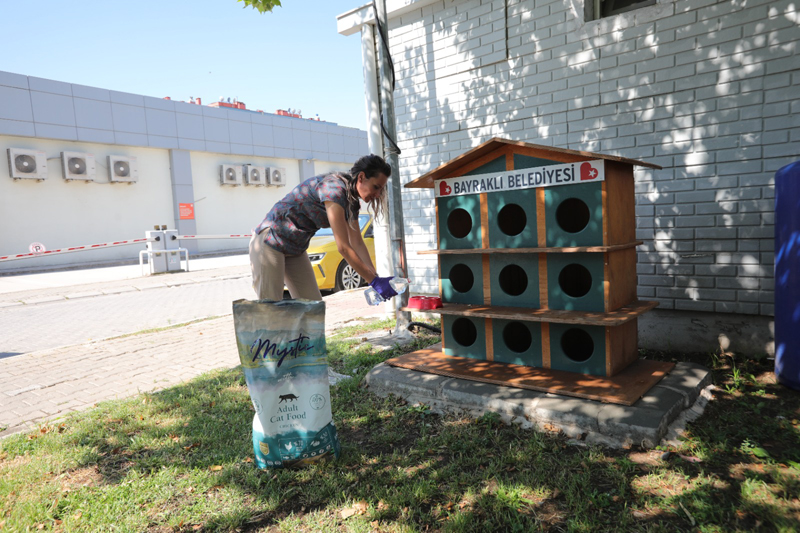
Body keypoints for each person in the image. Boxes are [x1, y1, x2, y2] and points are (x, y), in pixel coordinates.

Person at [249, 154, 399, 303]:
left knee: (312, 307)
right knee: (269, 308)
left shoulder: (351, 201)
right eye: (376, 187)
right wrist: (373, 281)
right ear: (361, 177)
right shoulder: (333, 189)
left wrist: (375, 278)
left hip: (295, 247)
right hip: (271, 240)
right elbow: (344, 247)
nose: (378, 194)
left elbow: (357, 243)